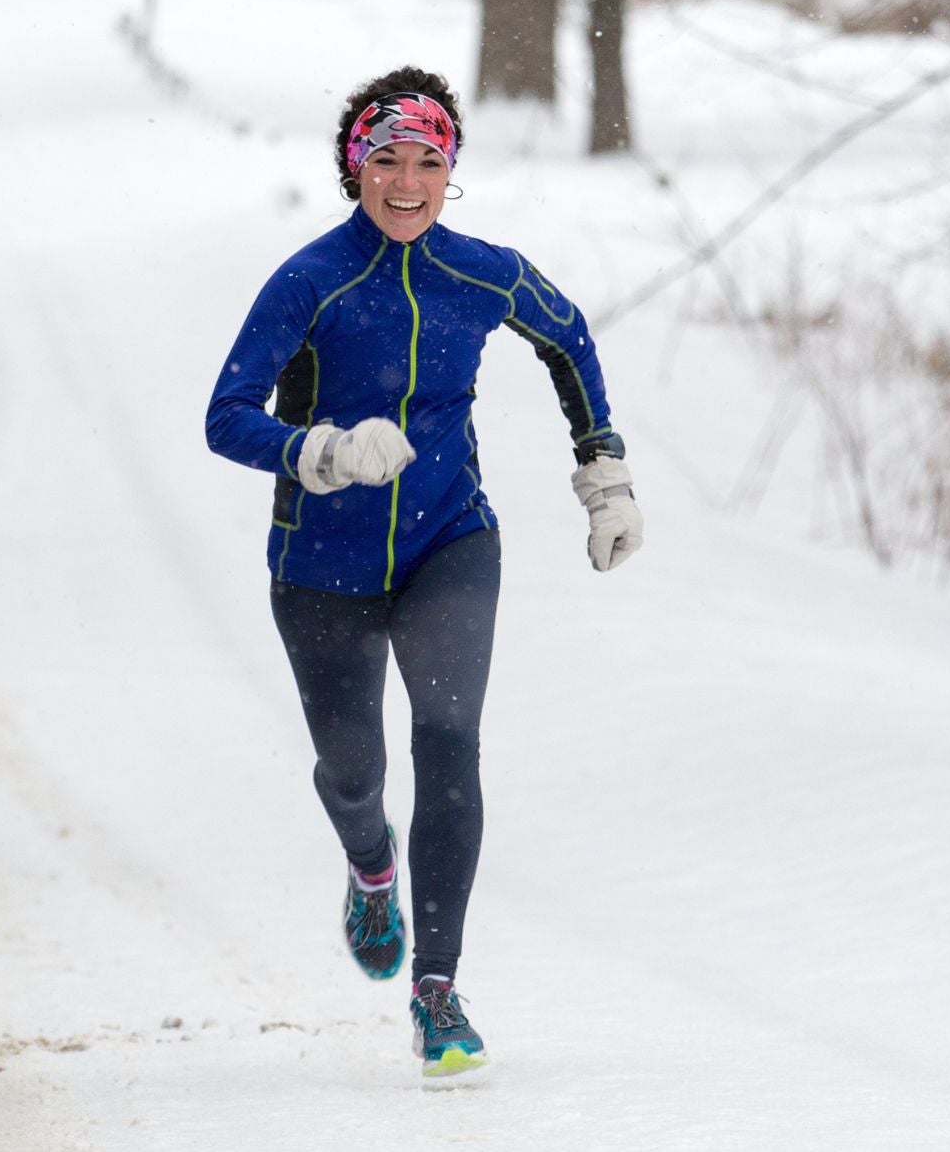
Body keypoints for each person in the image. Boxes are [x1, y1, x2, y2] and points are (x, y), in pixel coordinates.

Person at [203, 68, 641, 1080]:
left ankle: (437, 990)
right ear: (355, 168)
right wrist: (322, 450)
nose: (408, 181)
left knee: (450, 743)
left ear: (453, 173)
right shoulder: (310, 280)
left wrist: (603, 470)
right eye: (387, 160)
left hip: (451, 542)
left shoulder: (482, 273)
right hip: (319, 563)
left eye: (429, 162)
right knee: (355, 772)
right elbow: (227, 415)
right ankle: (370, 867)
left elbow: (567, 336)